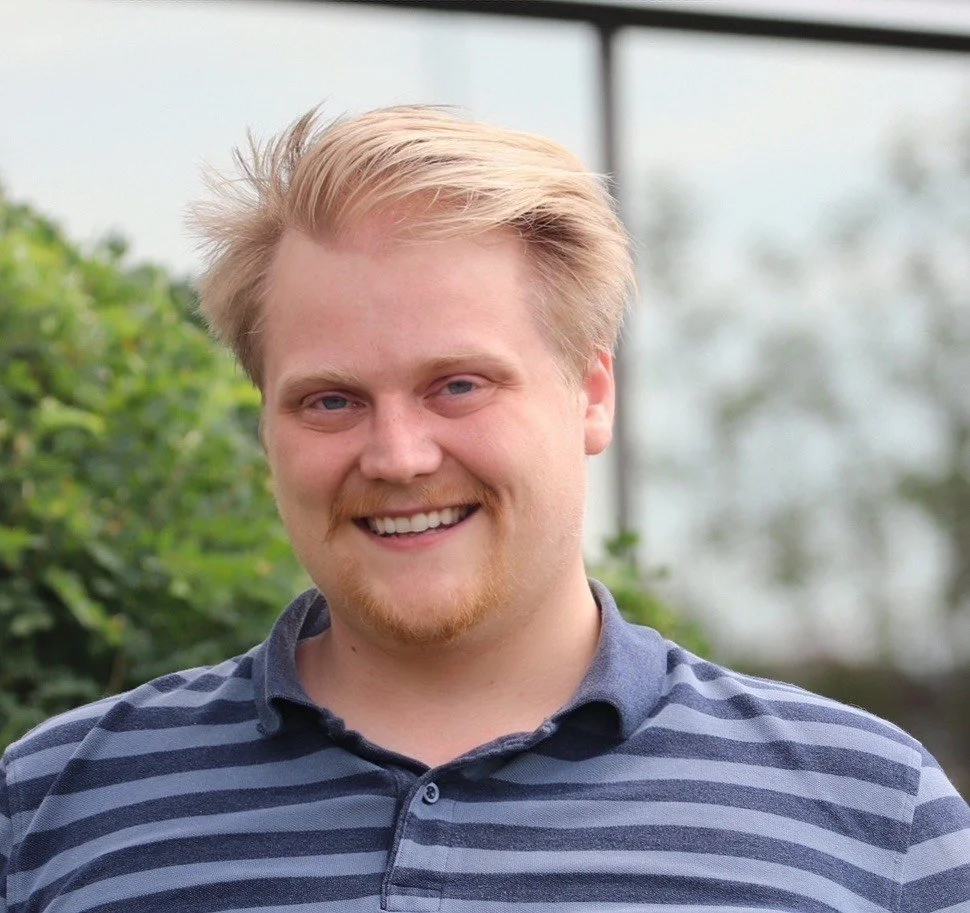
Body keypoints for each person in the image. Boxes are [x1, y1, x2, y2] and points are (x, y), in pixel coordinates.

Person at [2, 105, 968, 913]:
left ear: (592, 394)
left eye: (458, 385)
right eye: (330, 400)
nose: (398, 456)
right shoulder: (48, 812)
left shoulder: (874, 821)